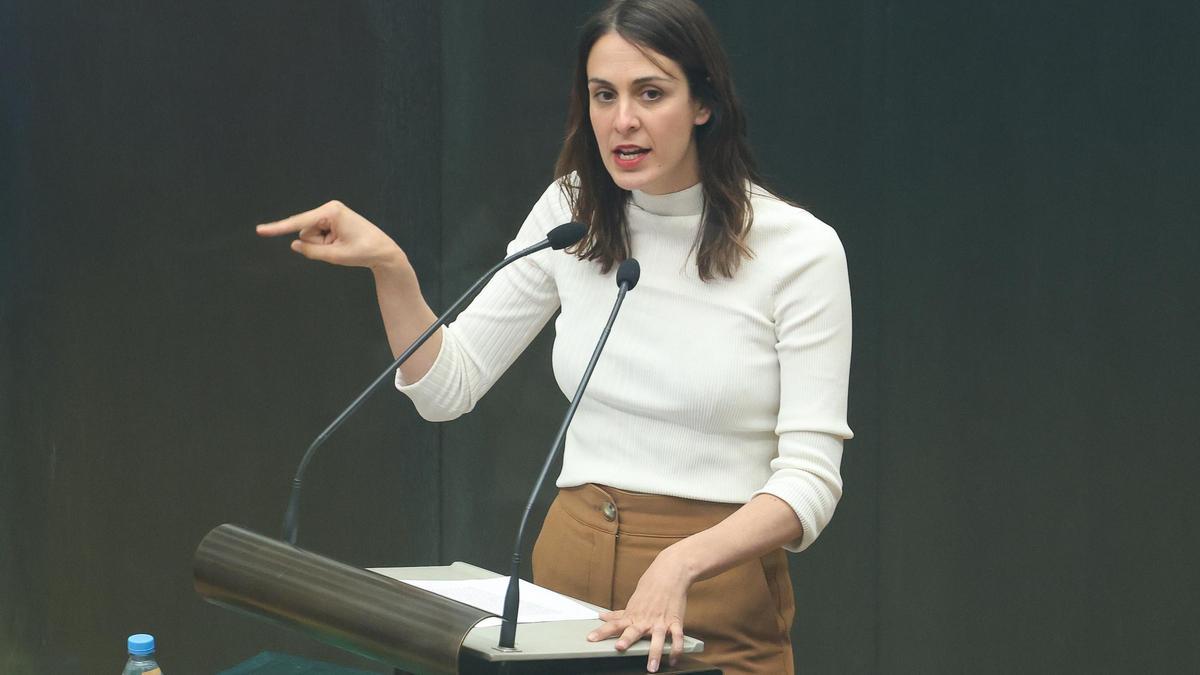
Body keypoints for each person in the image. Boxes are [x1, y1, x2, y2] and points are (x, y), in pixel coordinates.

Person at [256, 1, 852, 672]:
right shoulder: (574, 214)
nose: (622, 120)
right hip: (566, 578)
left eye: (650, 93)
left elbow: (809, 482)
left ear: (704, 103)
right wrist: (389, 268)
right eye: (604, 95)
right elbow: (447, 387)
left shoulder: (797, 250)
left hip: (711, 597)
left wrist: (681, 561)